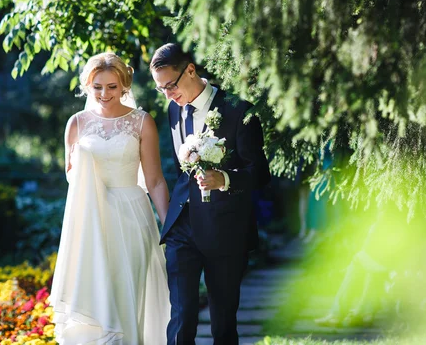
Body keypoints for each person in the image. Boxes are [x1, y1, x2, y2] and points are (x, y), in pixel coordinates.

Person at [150, 43, 271, 344]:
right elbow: (182, 171)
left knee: (222, 322)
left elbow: (260, 173)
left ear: (190, 70)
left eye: (170, 86)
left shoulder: (239, 110)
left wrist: (225, 179)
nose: (168, 95)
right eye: (160, 89)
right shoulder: (172, 109)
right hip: (183, 227)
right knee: (181, 315)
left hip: (226, 228)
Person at [49, 52, 170, 345]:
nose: (104, 94)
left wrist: (171, 226)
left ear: (124, 85)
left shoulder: (142, 122)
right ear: (88, 87)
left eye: (112, 86)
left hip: (132, 217)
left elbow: (153, 180)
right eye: (97, 87)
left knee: (129, 294)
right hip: (92, 220)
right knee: (97, 292)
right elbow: (70, 178)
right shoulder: (76, 124)